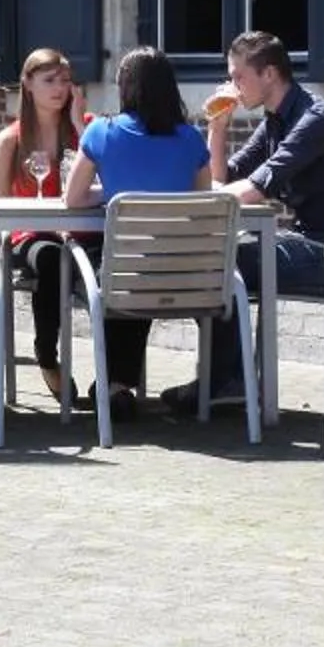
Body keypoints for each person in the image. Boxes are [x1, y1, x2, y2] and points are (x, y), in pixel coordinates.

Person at [171, 28, 324, 413]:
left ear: (269, 74)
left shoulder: (315, 120)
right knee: (217, 257)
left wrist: (185, 205)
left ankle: (228, 380)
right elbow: (224, 179)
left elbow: (254, 189)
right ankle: (226, 379)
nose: (232, 86)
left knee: (219, 260)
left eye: (238, 76)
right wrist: (217, 127)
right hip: (307, 240)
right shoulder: (275, 121)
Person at [60, 46, 210, 420]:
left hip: (124, 273)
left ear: (125, 88)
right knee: (141, 261)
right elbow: (204, 201)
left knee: (113, 267)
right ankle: (121, 384)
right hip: (187, 276)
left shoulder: (102, 131)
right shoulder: (192, 138)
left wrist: (113, 195)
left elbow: (73, 199)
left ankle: (114, 385)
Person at [0, 47, 90, 408]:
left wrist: (80, 126)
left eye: (65, 80)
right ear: (28, 85)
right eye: (50, 80)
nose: (60, 88)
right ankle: (46, 355)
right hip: (28, 235)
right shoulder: (11, 139)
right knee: (50, 258)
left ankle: (117, 379)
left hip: (81, 233)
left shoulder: (85, 129)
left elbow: (109, 178)